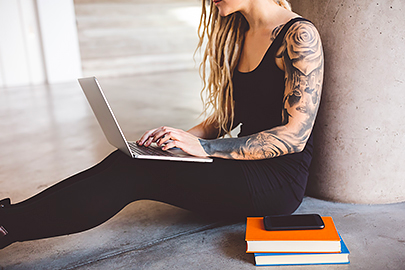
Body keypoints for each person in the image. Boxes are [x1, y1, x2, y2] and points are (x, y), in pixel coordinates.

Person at [0, 0, 323, 250]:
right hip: (238, 164)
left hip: (275, 181)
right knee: (131, 158)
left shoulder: (298, 35)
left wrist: (205, 148)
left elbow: (294, 136)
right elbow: (231, 115)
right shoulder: (241, 30)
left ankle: (9, 228)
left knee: (135, 173)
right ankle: (8, 218)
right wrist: (179, 138)